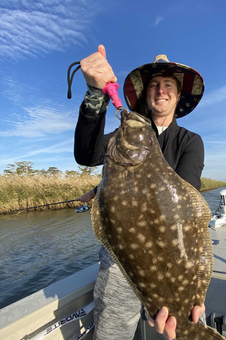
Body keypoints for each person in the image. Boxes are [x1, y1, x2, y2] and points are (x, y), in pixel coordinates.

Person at [74, 45, 206, 340]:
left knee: (183, 320)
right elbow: (87, 154)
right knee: (113, 330)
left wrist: (105, 186)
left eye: (168, 85)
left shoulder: (190, 142)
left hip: (174, 254)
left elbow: (184, 201)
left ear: (178, 95)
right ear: (146, 95)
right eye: (154, 86)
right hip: (122, 254)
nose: (160, 91)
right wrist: (96, 95)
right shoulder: (127, 134)